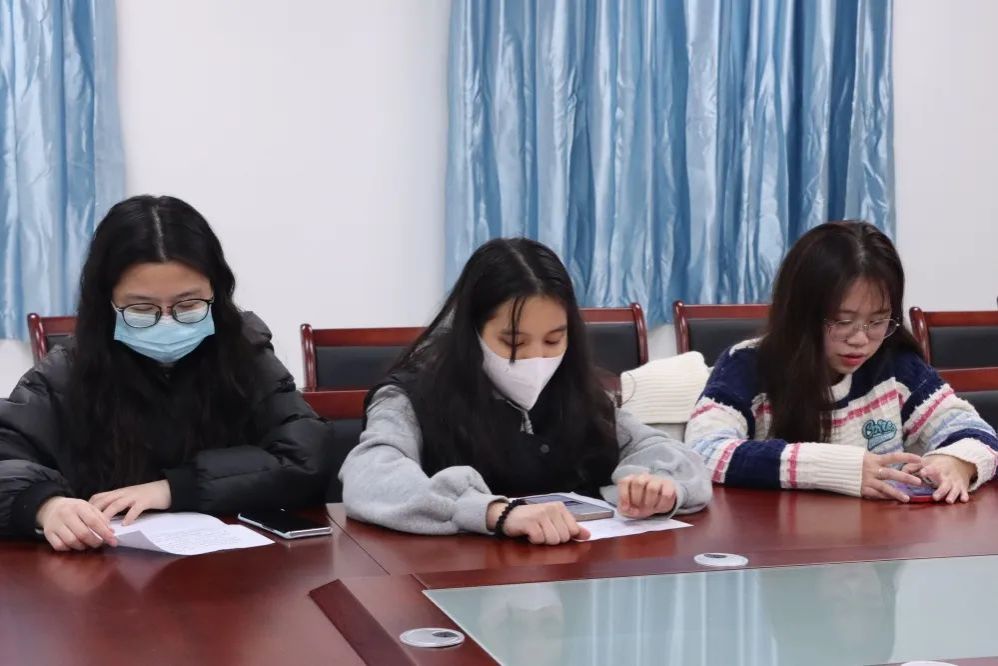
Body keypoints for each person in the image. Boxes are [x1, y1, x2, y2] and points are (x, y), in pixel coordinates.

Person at [0, 195, 332, 550]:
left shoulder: (244, 353)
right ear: (106, 304)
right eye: (142, 309)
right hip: (103, 567)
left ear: (217, 294)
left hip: (228, 568)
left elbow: (305, 456)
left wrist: (178, 487)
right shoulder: (67, 372)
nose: (168, 322)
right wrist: (43, 505)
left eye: (188, 304)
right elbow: (7, 456)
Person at [341, 238, 710, 544]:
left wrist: (657, 488)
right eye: (513, 342)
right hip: (453, 583)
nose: (537, 359)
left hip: (569, 582)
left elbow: (677, 460)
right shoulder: (412, 395)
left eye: (553, 340)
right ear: (471, 332)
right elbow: (369, 477)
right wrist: (492, 512)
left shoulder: (578, 392)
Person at [686, 221, 998, 502]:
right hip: (778, 539)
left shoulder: (894, 364)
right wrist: (839, 468)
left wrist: (958, 461)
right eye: (842, 321)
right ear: (800, 314)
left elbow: (974, 431)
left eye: (878, 321)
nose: (860, 339)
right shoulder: (747, 366)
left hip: (878, 540)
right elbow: (702, 452)